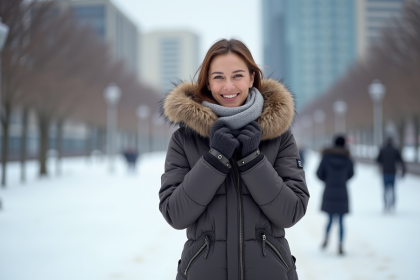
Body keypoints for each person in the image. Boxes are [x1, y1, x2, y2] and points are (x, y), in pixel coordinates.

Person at [159, 39, 309, 280]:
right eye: (218, 77)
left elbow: (291, 211)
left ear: (251, 78)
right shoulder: (184, 139)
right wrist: (215, 160)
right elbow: (175, 214)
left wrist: (253, 160)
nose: (228, 86)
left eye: (237, 75)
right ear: (207, 81)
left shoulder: (279, 136)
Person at [316, 135, 354, 255]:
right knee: (342, 220)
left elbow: (318, 173)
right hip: (342, 191)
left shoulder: (326, 157)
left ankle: (326, 239)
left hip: (329, 190)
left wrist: (328, 180)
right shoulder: (348, 159)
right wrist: (342, 180)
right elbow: (351, 173)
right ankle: (341, 244)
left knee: (330, 219)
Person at [376, 137, 406, 213]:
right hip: (393, 173)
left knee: (385, 190)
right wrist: (403, 171)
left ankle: (386, 206)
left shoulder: (382, 150)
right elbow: (400, 161)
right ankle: (392, 206)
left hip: (385, 172)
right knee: (393, 190)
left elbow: (378, 160)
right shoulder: (395, 150)